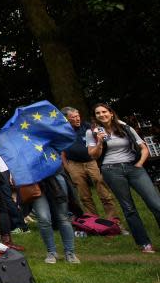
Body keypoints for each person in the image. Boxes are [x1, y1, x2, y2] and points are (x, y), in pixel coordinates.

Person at [87, 103, 160, 253]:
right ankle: (144, 244)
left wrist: (139, 164)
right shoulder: (92, 132)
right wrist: (100, 141)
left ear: (111, 113)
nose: (102, 115)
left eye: (104, 111)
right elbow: (93, 155)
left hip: (134, 168)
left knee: (155, 203)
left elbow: (144, 148)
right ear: (95, 117)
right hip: (111, 170)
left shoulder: (125, 127)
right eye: (98, 113)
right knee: (129, 208)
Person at [62, 106, 119, 222]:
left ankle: (114, 221)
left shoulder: (87, 126)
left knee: (103, 190)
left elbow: (101, 138)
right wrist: (67, 166)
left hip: (91, 162)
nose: (77, 119)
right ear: (66, 119)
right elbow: (60, 151)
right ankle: (94, 223)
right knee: (84, 196)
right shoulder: (61, 132)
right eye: (73, 117)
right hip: (73, 165)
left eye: (78, 116)